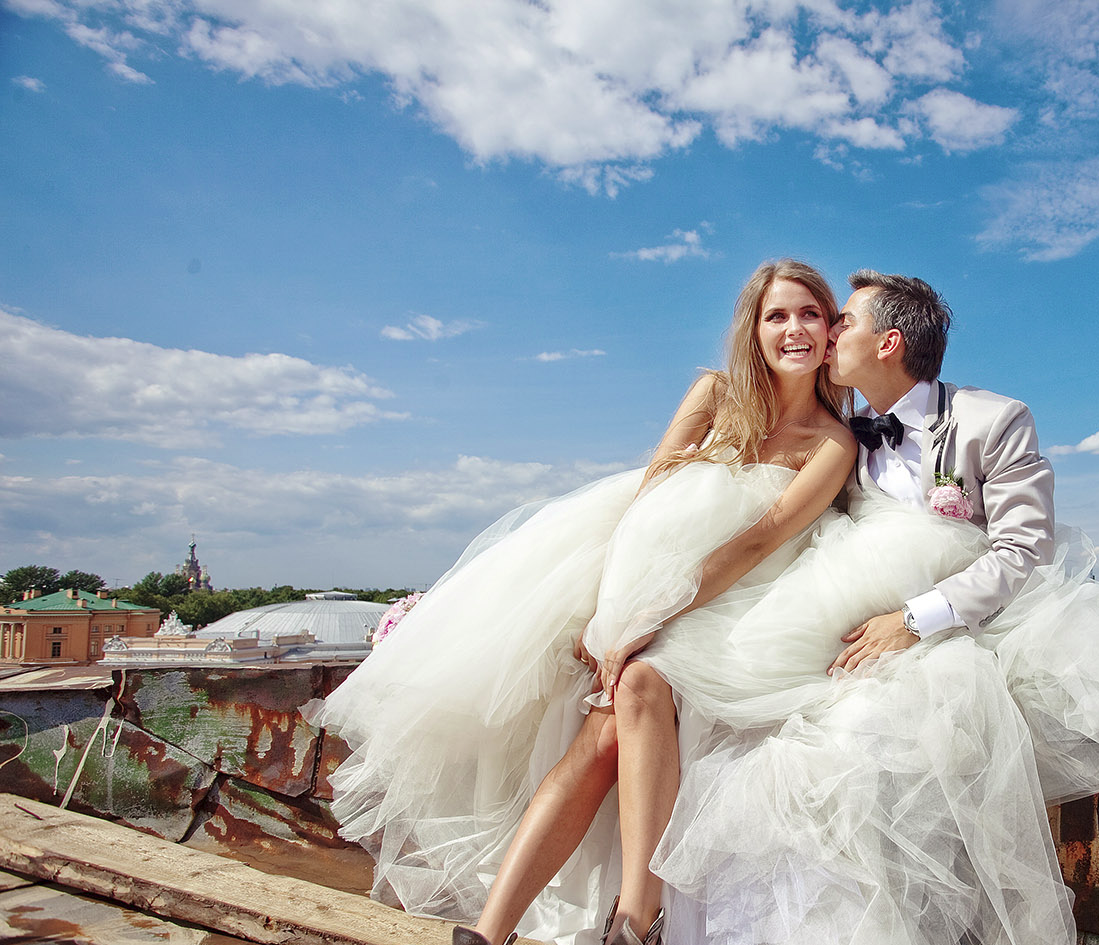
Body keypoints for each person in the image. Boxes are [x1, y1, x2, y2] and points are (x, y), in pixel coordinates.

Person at [645, 272, 1099, 944]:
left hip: (997, 624)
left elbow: (1022, 549)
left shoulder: (991, 418)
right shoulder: (841, 434)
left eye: (842, 322)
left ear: (887, 343)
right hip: (866, 640)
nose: (826, 332)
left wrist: (916, 620)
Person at [307, 258, 857, 945]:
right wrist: (614, 610)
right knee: (604, 730)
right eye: (777, 314)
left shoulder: (832, 443)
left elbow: (763, 538)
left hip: (742, 610)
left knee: (640, 684)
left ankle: (627, 918)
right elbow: (647, 498)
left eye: (809, 313)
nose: (794, 329)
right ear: (754, 328)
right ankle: (508, 930)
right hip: (649, 588)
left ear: (832, 330)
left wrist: (655, 615)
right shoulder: (715, 395)